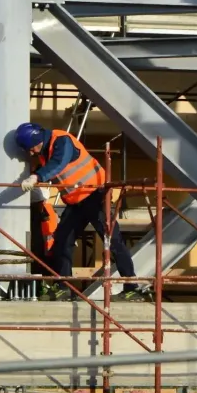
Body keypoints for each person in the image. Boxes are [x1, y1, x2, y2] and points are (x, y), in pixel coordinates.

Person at [13, 122, 148, 302]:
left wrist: (37, 176)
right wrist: (37, 173)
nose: (31, 153)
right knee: (61, 240)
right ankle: (64, 286)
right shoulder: (45, 151)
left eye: (30, 148)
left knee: (112, 241)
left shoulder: (62, 141)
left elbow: (59, 163)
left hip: (96, 195)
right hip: (76, 201)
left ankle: (132, 288)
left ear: (38, 140)